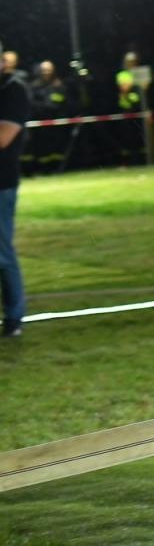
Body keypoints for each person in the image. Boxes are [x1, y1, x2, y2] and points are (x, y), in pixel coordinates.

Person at [0, 50, 30, 337]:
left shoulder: (13, 90)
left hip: (1, 182)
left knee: (1, 253)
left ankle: (14, 317)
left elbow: (3, 137)